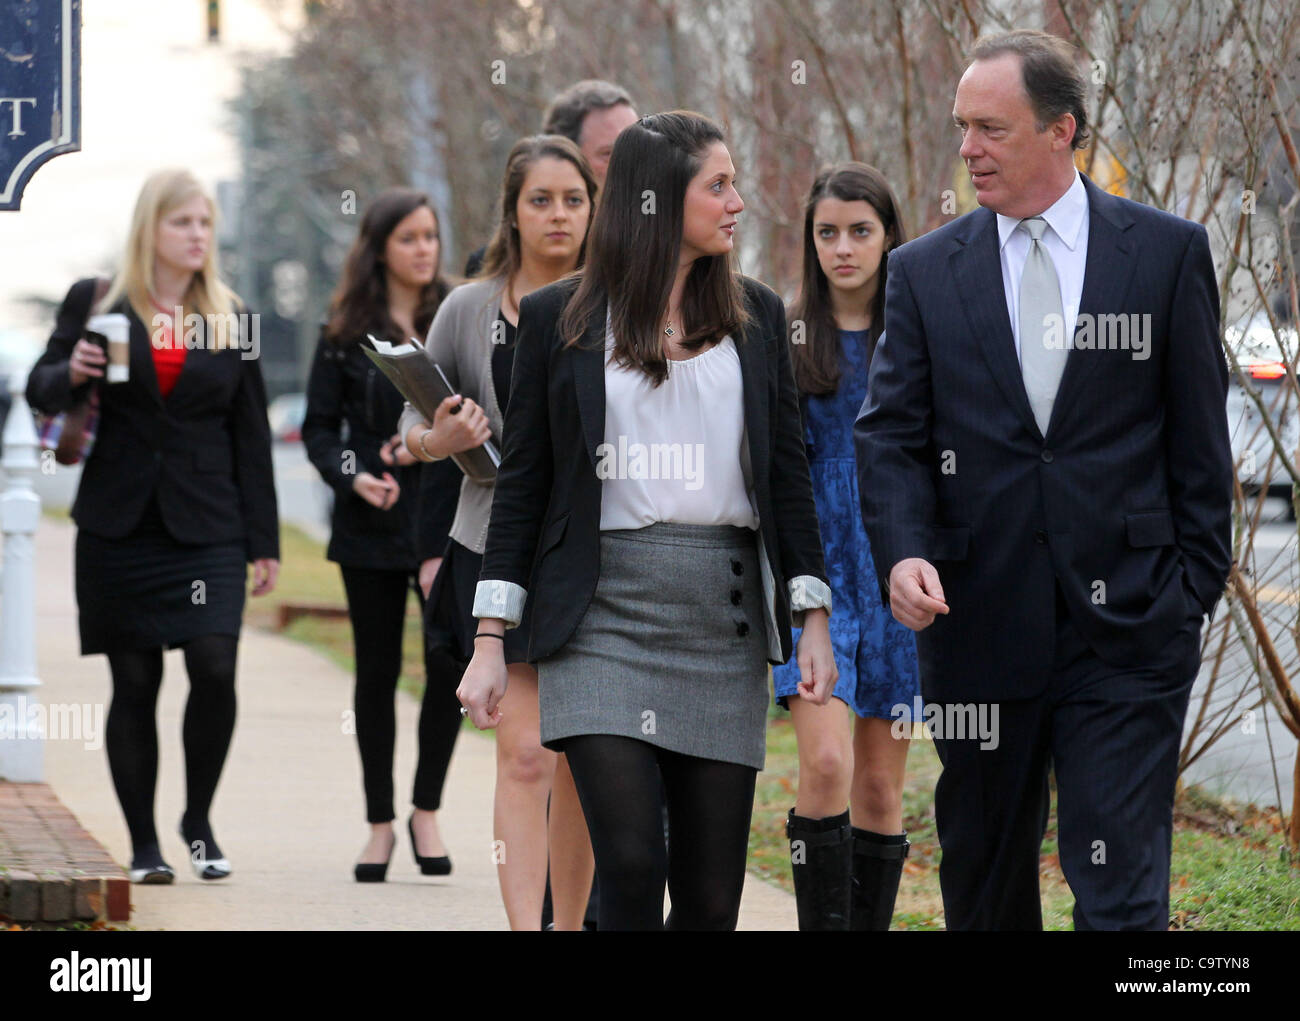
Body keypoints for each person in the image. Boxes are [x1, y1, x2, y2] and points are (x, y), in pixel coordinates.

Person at [855, 30, 1232, 930]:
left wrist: (1189, 593)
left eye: (991, 128)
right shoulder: (922, 274)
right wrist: (904, 553)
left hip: (1133, 631)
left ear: (1061, 130)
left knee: (1123, 890)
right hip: (976, 622)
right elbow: (891, 438)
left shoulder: (1167, 254)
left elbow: (1199, 445)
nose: (968, 149)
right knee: (985, 888)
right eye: (961, 127)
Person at [458, 111, 838, 931]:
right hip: (600, 621)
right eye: (719, 184)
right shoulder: (561, 321)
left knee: (708, 900)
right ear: (660, 200)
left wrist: (811, 616)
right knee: (630, 864)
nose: (739, 200)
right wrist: (491, 641)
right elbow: (523, 489)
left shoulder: (759, 317)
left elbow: (786, 479)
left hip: (721, 621)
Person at [26, 168, 280, 884]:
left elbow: (250, 435)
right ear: (151, 229)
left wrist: (263, 541)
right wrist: (70, 370)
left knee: (214, 665)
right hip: (120, 523)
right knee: (133, 681)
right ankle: (144, 844)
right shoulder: (98, 301)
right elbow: (40, 391)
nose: (198, 235)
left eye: (205, 223)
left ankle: (197, 820)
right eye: (183, 223)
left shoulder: (232, 316)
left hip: (209, 526)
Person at [401, 135, 599, 929]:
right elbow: (410, 425)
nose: (558, 215)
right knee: (524, 753)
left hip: (592, 553)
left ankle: (572, 916)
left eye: (573, 199)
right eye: (540, 200)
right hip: (492, 546)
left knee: (579, 762)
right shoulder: (467, 307)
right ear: (513, 214)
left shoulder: (616, 300)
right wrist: (438, 440)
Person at [301, 187, 464, 882]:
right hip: (372, 516)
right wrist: (354, 475)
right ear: (380, 248)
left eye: (430, 236)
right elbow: (318, 430)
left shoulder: (457, 315)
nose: (424, 248)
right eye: (409, 238)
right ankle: (379, 825)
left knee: (449, 660)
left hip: (447, 512)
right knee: (376, 672)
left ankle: (426, 807)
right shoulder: (344, 333)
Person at [774, 162, 919, 930]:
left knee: (880, 790)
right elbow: (773, 474)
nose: (843, 247)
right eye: (826, 232)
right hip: (816, 571)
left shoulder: (917, 333)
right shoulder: (786, 335)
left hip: (895, 569)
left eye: (860, 230)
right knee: (826, 762)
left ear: (889, 236)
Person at [463, 80, 638, 277]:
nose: (632, 165)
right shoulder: (490, 273)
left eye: (638, 150)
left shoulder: (653, 254)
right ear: (565, 156)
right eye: (609, 154)